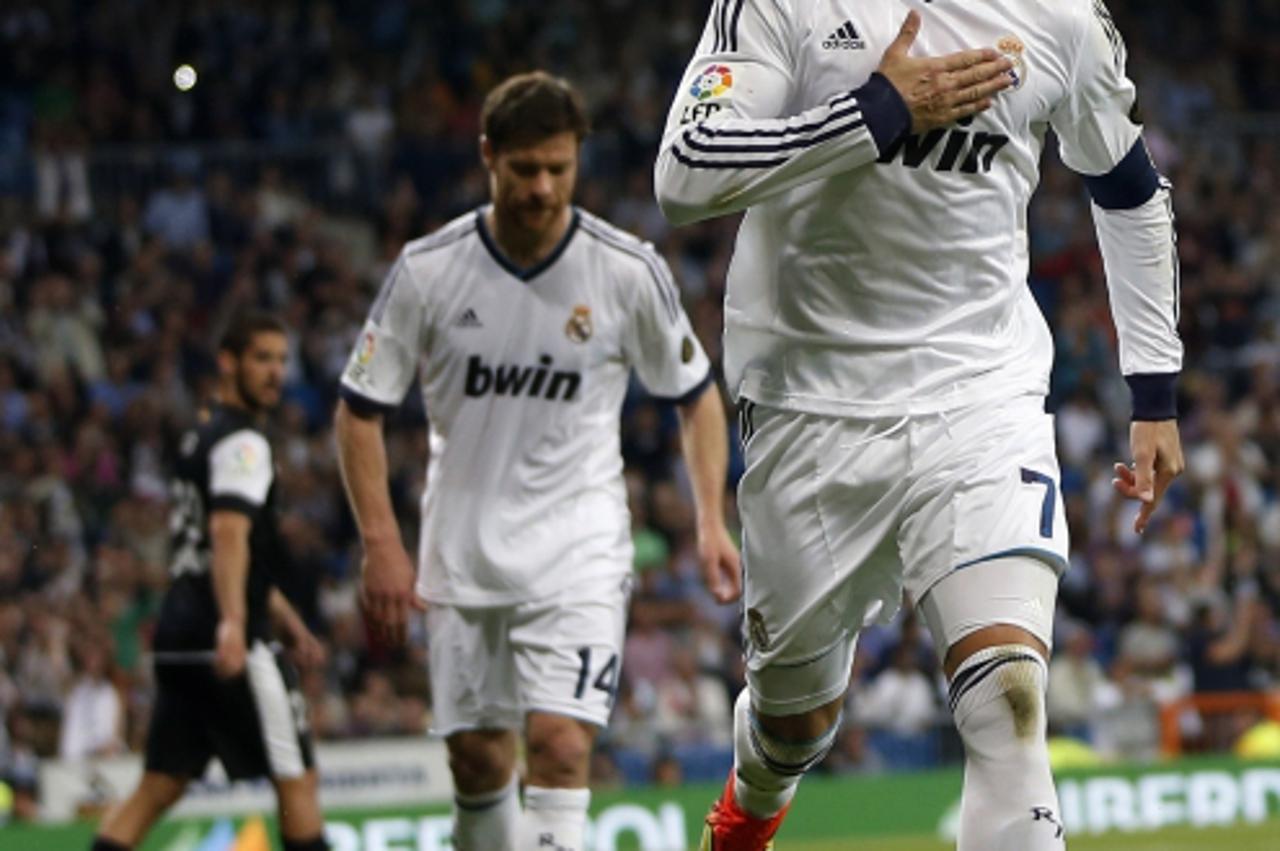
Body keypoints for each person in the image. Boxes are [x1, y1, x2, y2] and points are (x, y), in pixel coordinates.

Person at [655, 3, 1184, 849]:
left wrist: (1154, 392)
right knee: (797, 723)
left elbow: (1126, 187)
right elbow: (686, 171)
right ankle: (751, 801)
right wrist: (879, 111)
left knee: (1009, 696)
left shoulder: (1059, 16)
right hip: (809, 401)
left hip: (981, 391)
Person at [334, 71, 738, 851]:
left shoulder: (625, 270)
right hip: (462, 550)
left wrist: (712, 519)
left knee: (558, 744)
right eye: (525, 169)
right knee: (478, 761)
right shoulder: (430, 269)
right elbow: (359, 411)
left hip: (578, 547)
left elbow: (696, 394)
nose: (544, 187)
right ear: (489, 156)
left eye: (560, 167)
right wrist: (382, 542)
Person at [91, 313, 328, 851]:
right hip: (227, 636)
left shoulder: (200, 436)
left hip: (178, 634)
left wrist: (285, 617)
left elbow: (216, 548)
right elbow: (227, 533)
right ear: (228, 362)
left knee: (159, 786)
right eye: (261, 358)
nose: (275, 373)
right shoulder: (244, 443)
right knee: (298, 779)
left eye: (281, 360)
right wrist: (237, 622)